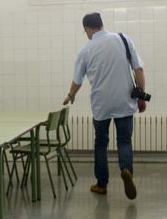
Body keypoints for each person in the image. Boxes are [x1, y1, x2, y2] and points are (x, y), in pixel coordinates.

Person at [63, 12, 147, 200]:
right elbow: (139, 69)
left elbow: (77, 80)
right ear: (101, 24)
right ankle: (126, 170)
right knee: (124, 141)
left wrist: (70, 95)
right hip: (124, 100)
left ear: (88, 29)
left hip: (101, 104)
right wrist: (141, 96)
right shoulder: (123, 39)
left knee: (101, 143)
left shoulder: (86, 50)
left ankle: (101, 184)